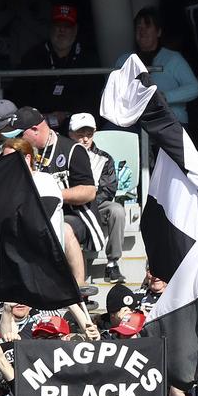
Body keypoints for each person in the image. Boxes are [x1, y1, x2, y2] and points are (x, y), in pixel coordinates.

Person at [17, 106, 106, 287]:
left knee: (62, 229)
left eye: (21, 134)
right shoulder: (25, 153)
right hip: (39, 216)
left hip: (77, 216)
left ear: (35, 130)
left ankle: (79, 288)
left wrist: (54, 193)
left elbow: (89, 191)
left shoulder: (72, 150)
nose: (18, 139)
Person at [115, 7, 198, 126]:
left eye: (147, 26)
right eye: (139, 27)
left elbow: (194, 88)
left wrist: (163, 97)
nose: (142, 31)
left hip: (169, 121)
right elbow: (109, 92)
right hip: (132, 122)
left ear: (158, 32)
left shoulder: (172, 58)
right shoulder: (124, 60)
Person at [18, 4, 99, 130]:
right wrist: (37, 115)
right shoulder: (33, 56)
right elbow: (21, 94)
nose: (62, 30)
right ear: (50, 28)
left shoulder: (88, 58)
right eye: (58, 26)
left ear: (75, 29)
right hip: (38, 125)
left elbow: (93, 97)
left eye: (67, 26)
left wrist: (68, 115)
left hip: (76, 126)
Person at [68, 112, 127, 282]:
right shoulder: (63, 155)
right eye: (80, 135)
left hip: (95, 205)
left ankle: (112, 264)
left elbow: (109, 188)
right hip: (70, 207)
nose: (85, 139)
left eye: (89, 134)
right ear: (71, 134)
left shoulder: (104, 158)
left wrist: (90, 201)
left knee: (117, 210)